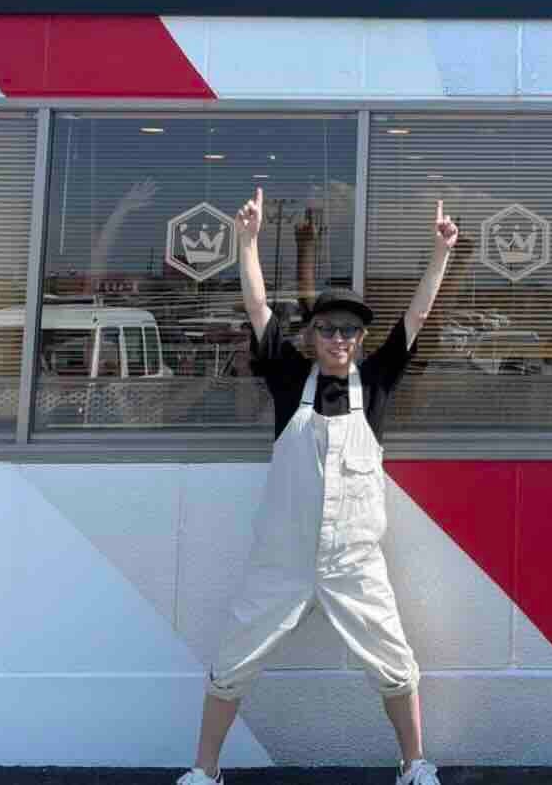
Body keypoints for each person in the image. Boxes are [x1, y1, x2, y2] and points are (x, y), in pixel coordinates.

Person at [176, 188, 458, 785]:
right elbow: (257, 308)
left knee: (396, 665)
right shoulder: (286, 377)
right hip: (281, 560)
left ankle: (413, 764)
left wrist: (440, 255)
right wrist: (247, 242)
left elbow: (416, 319)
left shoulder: (375, 383)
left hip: (355, 561)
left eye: (350, 331)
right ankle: (205, 770)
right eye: (328, 329)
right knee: (231, 663)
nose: (339, 339)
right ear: (313, 335)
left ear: (360, 340)